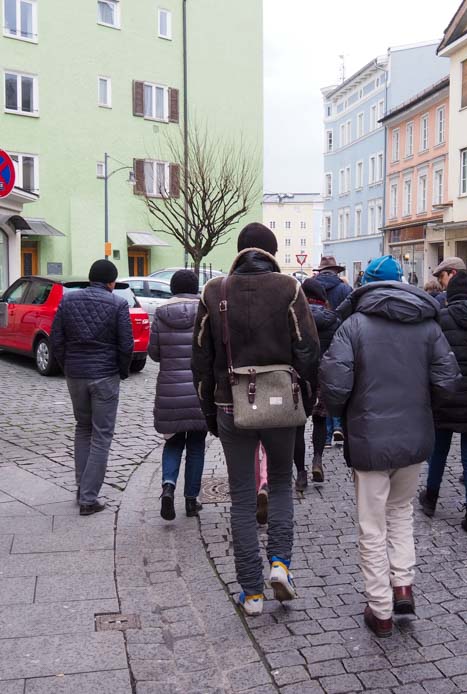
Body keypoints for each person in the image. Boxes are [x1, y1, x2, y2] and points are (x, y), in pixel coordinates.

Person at [320, 255, 460, 638]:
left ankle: (380, 607)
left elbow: (334, 385)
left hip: (368, 437)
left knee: (371, 524)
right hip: (414, 437)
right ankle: (403, 587)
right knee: (400, 513)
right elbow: (448, 381)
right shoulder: (428, 326)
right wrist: (421, 406)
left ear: (367, 283)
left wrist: (342, 415)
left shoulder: (354, 326)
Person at [193, 222, 320, 616]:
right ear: (271, 252)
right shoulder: (289, 288)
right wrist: (305, 402)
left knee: (242, 498)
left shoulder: (216, 291)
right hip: (281, 404)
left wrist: (211, 413)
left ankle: (251, 593)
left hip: (231, 403)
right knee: (281, 484)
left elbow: (199, 359)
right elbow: (309, 351)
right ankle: (280, 564)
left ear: (239, 250)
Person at [50, 259, 134, 516]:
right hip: (104, 375)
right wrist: (122, 371)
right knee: (102, 435)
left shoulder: (68, 301)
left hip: (76, 375)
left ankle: (81, 487)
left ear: (90, 278)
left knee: (83, 428)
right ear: (111, 282)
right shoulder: (118, 304)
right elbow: (126, 345)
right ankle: (89, 497)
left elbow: (57, 339)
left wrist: (68, 367)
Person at [419, 272, 467, 537]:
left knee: (439, 450)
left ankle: (430, 498)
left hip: (447, 393)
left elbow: (430, 355)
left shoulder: (440, 318)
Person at [148, 269, 207, 521]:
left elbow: (154, 353)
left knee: (172, 442)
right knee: (196, 446)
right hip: (199, 390)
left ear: (172, 288)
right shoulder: (205, 312)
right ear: (195, 288)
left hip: (170, 390)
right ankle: (191, 501)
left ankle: (168, 487)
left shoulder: (161, 313)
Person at [294, 278, 341, 491]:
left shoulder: (295, 318)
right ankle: (318, 460)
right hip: (324, 377)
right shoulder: (334, 320)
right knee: (320, 421)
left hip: (300, 377)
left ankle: (301, 474)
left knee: (298, 426)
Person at [313, 256, 349, 446]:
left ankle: (325, 435)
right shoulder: (344, 289)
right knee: (337, 385)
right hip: (340, 341)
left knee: (321, 389)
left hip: (316, 342)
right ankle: (337, 426)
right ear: (336, 270)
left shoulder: (310, 286)